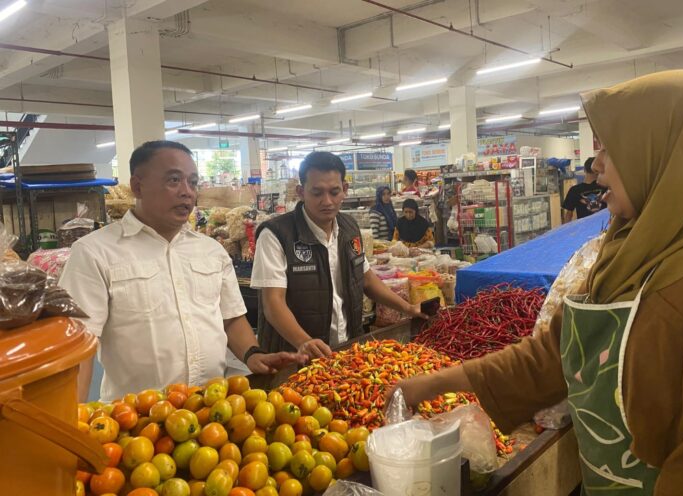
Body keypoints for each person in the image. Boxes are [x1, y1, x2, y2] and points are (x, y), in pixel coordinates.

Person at [391, 71, 683, 495]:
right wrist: (428, 383)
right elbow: (553, 356)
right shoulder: (628, 249)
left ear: (668, 154)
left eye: (610, 147)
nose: (597, 164)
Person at [60, 141, 304, 401]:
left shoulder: (211, 251)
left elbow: (231, 319)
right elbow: (78, 345)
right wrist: (70, 422)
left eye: (193, 182)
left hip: (213, 414)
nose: (187, 192)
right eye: (174, 180)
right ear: (137, 186)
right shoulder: (95, 252)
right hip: (136, 423)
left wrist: (253, 354)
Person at [251, 152, 425, 359]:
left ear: (344, 189)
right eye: (317, 193)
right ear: (301, 191)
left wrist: (408, 308)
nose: (327, 201)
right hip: (293, 357)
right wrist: (304, 343)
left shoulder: (349, 228)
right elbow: (273, 303)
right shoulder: (277, 234)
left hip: (346, 348)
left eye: (334, 192)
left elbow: (367, 279)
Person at [562, 157, 607, 222]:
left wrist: (567, 231)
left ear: (584, 170)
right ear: (598, 171)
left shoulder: (574, 190)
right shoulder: (605, 187)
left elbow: (568, 215)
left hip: (585, 229)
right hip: (605, 228)